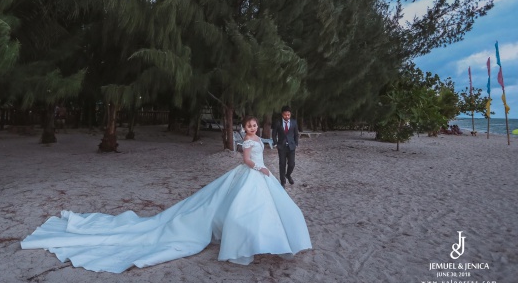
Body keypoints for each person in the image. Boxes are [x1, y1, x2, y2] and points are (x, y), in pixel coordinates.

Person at [21, 116, 312, 273]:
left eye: (254, 125)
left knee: (265, 208)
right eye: (248, 126)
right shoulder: (246, 143)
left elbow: (261, 153)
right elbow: (246, 161)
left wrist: (264, 169)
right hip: (252, 174)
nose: (252, 128)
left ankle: (266, 239)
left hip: (261, 176)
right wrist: (260, 169)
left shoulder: (258, 138)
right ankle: (243, 244)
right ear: (244, 128)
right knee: (239, 209)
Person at [272, 105, 299, 187]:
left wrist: (296, 144)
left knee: (291, 164)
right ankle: (283, 181)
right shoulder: (278, 122)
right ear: (282, 114)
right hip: (281, 147)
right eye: (285, 115)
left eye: (288, 115)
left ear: (290, 114)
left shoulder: (294, 122)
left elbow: (296, 134)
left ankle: (288, 175)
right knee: (282, 164)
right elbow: (274, 134)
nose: (287, 116)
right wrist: (276, 143)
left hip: (291, 147)